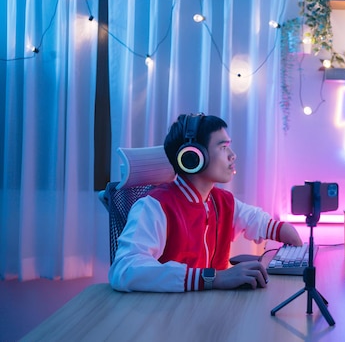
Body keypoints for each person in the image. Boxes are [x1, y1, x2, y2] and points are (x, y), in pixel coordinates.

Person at [109, 113, 303, 292]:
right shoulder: (154, 206)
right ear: (193, 157)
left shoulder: (221, 201)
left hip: (209, 310)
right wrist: (212, 278)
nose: (232, 155)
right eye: (223, 147)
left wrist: (282, 230)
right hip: (168, 316)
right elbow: (124, 269)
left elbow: (256, 220)